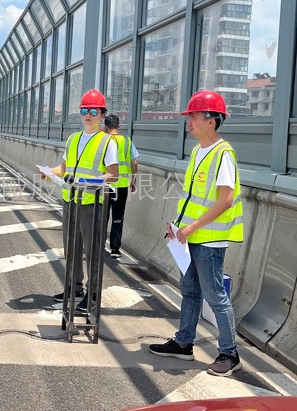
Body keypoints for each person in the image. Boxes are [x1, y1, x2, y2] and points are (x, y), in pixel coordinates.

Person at [149, 90, 243, 377]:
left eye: (194, 116)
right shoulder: (197, 152)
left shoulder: (223, 154)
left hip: (209, 239)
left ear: (211, 120)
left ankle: (230, 354)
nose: (188, 121)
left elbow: (225, 200)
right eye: (189, 117)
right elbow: (192, 197)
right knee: (190, 292)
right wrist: (178, 225)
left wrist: (193, 227)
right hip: (189, 237)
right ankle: (183, 343)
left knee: (215, 296)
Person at [43, 89, 119, 311]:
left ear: (102, 115)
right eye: (84, 110)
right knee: (72, 247)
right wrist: (48, 172)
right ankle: (74, 287)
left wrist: (90, 181)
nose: (88, 115)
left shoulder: (107, 142)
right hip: (71, 199)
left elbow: (113, 174)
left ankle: (92, 293)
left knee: (92, 249)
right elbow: (65, 168)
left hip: (92, 203)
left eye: (93, 111)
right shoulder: (73, 139)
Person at [103, 114, 139, 259]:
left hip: (105, 185)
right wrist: (133, 180)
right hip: (121, 186)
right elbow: (134, 162)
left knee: (103, 215)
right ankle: (115, 249)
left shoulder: (102, 140)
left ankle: (98, 244)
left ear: (105, 126)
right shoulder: (127, 142)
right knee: (118, 217)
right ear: (119, 125)